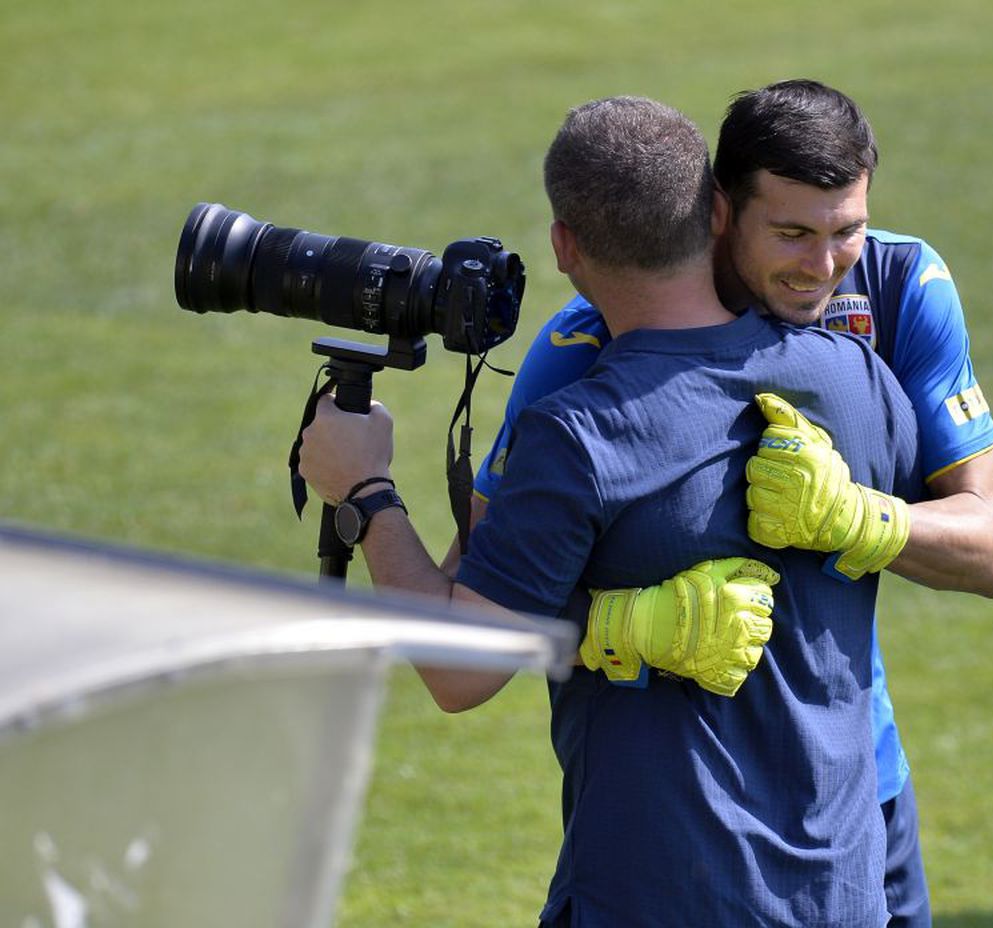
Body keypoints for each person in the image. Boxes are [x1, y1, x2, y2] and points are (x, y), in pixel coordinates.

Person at [300, 95, 923, 927]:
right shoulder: (858, 381)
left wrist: (367, 490)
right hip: (843, 896)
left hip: (653, 898)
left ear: (565, 246)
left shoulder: (578, 437)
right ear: (715, 214)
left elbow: (459, 669)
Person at [467, 79, 993, 926]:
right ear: (720, 212)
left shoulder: (901, 284)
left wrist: (863, 519)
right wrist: (613, 627)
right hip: (681, 844)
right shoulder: (586, 347)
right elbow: (475, 593)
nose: (825, 267)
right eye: (793, 233)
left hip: (857, 794)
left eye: (847, 230)